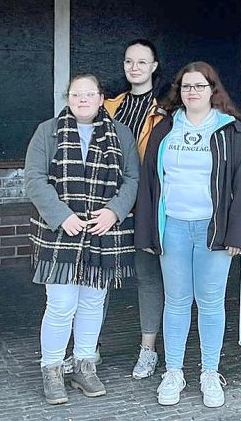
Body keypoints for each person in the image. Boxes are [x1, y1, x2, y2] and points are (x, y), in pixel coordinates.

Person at [134, 61, 241, 408]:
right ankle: (173, 371)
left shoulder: (230, 130)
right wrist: (149, 233)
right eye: (186, 86)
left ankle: (209, 372)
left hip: (213, 230)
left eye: (200, 86)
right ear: (179, 91)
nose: (192, 92)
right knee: (176, 301)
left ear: (212, 90)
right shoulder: (165, 129)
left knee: (211, 302)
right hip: (173, 226)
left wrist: (237, 234)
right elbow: (150, 181)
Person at [24, 74, 139, 405]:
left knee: (92, 302)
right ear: (68, 98)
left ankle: (84, 366)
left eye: (90, 94)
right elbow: (34, 180)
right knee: (61, 305)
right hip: (60, 232)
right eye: (77, 94)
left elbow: (132, 178)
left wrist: (114, 211)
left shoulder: (121, 134)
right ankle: (52, 369)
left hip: (104, 231)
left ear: (102, 98)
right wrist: (63, 216)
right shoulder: (47, 132)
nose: (83, 99)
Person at [104, 39, 166, 380]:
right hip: (110, 202)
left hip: (147, 202)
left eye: (142, 62)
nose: (135, 67)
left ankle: (148, 350)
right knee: (98, 275)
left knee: (147, 277)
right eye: (129, 61)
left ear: (154, 66)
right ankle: (89, 348)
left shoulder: (167, 107)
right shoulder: (110, 105)